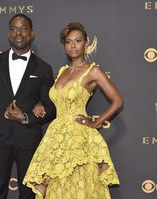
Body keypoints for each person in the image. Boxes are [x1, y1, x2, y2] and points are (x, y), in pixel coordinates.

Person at [23, 22, 124, 199]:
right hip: (56, 138)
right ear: (65, 47)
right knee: (57, 188)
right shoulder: (62, 71)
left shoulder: (93, 71)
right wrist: (38, 104)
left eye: (78, 41)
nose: (73, 45)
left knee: (79, 188)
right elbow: (56, 100)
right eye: (68, 42)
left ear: (86, 44)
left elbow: (117, 101)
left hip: (79, 140)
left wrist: (95, 122)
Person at [0, 13, 55, 199]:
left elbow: (51, 107)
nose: (18, 32)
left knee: (27, 194)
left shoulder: (43, 68)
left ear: (32, 33)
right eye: (13, 28)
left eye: (23, 28)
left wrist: (27, 117)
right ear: (9, 33)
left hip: (28, 138)